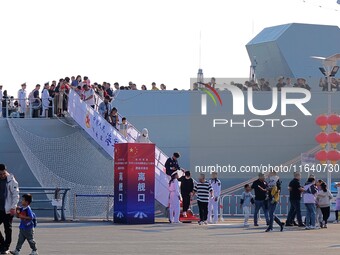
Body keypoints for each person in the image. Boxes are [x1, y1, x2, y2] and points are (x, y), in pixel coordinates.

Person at [0, 164, 19, 254]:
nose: (2, 176)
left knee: (7, 229)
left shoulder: (11, 180)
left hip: (8, 209)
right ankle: (2, 244)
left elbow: (15, 195)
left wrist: (13, 207)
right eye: (0, 174)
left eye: (4, 173)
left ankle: (6, 247)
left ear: (6, 171)